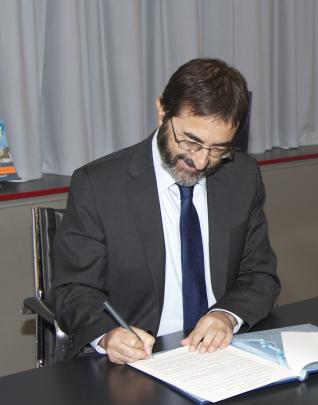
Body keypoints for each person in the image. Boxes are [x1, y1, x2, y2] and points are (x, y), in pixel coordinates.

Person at [50, 58, 280, 364]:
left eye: (218, 149)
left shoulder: (241, 176)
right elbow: (73, 289)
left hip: (222, 354)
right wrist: (108, 335)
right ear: (162, 112)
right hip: (138, 359)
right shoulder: (100, 186)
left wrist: (227, 315)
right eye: (190, 141)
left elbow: (260, 274)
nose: (200, 162)